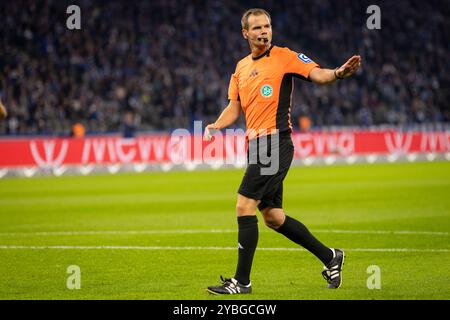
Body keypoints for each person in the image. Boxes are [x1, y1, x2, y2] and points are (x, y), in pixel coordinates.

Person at [204, 8, 361, 294]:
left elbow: (317, 74)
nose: (264, 32)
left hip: (275, 142)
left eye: (267, 26)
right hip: (257, 145)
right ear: (246, 33)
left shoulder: (285, 57)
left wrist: (337, 73)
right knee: (274, 217)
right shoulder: (239, 68)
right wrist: (216, 124)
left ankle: (242, 282)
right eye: (257, 28)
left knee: (243, 205)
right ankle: (331, 257)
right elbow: (234, 107)